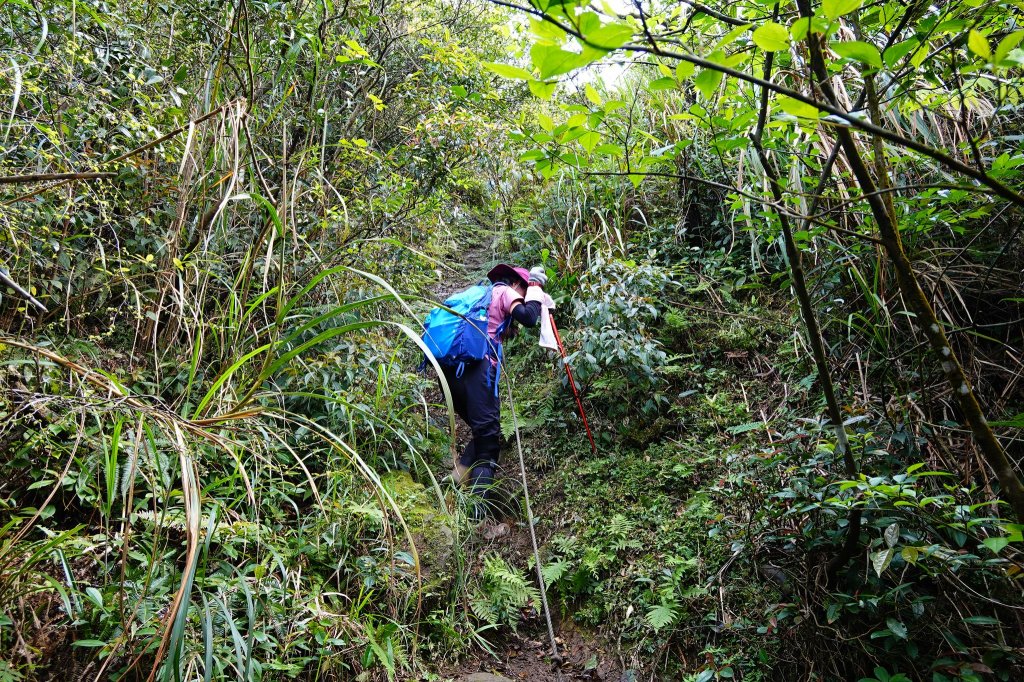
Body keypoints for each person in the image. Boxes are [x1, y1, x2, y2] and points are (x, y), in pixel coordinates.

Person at [442, 263, 548, 526]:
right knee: (489, 442)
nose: (522, 296)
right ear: (516, 284)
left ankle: (454, 483)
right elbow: (529, 317)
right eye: (522, 290)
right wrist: (534, 286)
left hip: (453, 373)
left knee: (484, 432)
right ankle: (477, 516)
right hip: (478, 370)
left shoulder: (484, 296)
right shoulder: (505, 291)